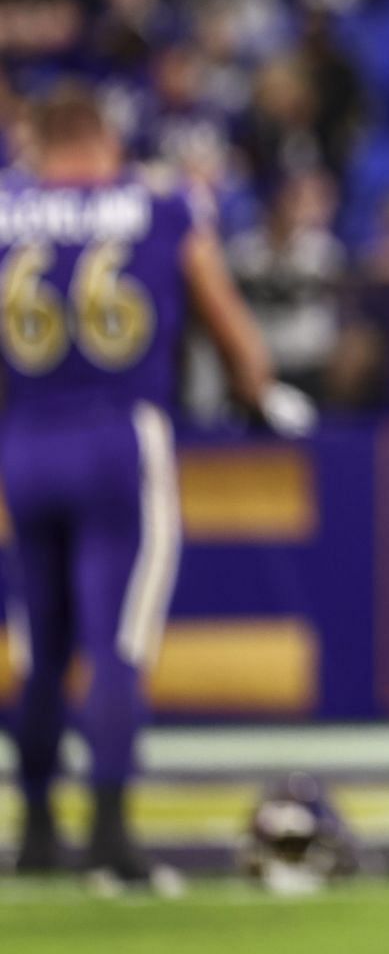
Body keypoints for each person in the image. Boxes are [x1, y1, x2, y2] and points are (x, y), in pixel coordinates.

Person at [0, 90, 312, 891]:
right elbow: (227, 320)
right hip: (118, 438)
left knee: (40, 648)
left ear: (34, 141)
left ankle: (35, 830)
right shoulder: (159, 202)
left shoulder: (7, 204)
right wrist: (259, 388)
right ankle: (109, 835)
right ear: (105, 137)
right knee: (117, 644)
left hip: (24, 440)